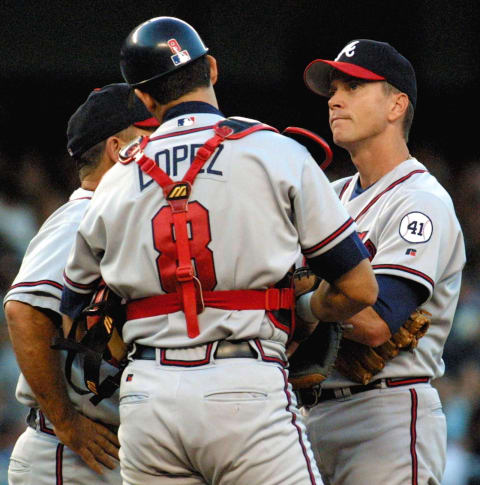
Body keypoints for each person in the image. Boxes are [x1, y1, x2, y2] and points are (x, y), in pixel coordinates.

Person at [60, 17, 378, 485]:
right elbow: (361, 288)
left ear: (144, 98)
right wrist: (307, 309)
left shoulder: (117, 179)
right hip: (244, 383)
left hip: (148, 399)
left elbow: (72, 317)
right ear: (211, 68)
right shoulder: (274, 150)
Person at [300, 39, 466, 485]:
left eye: (354, 87)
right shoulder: (330, 197)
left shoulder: (421, 201)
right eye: (334, 89)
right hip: (307, 413)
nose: (335, 99)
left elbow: (375, 324)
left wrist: (300, 306)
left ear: (396, 105)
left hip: (384, 416)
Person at [4, 83, 159, 484]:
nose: (161, 148)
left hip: (106, 449)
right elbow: (23, 312)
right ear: (117, 148)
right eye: (150, 136)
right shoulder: (81, 219)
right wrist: (67, 422)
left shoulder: (115, 218)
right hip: (70, 453)